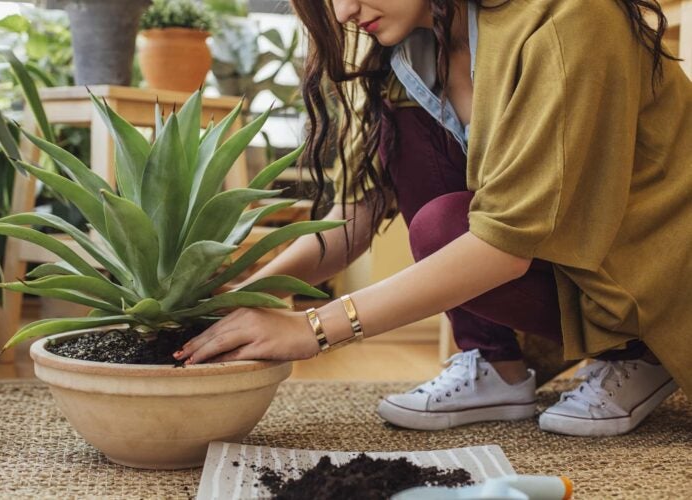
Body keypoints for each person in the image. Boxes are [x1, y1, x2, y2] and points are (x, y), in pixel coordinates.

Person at [174, 0, 692, 437]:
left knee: (443, 226)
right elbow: (353, 216)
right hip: (573, 268)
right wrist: (235, 303)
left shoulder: (568, 19)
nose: (345, 11)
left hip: (661, 275)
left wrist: (315, 328)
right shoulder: (401, 53)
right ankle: (497, 365)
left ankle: (641, 352)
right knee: (428, 188)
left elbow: (504, 245)